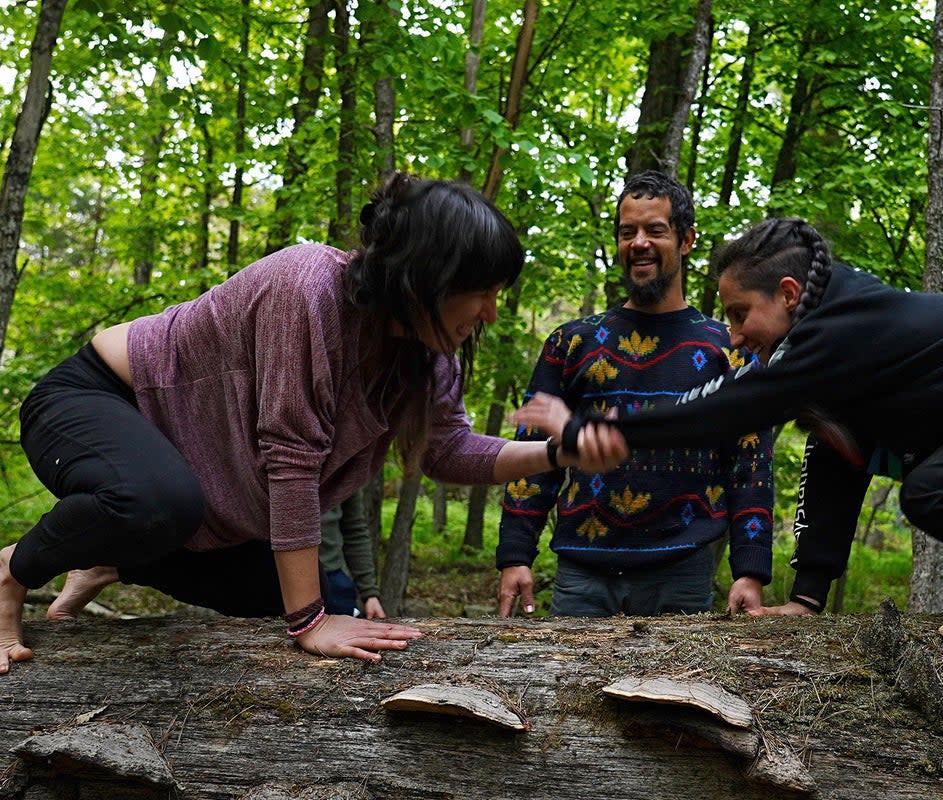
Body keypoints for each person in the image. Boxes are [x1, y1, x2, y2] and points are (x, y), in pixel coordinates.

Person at [0, 173, 622, 674]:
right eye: (482, 291)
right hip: (96, 401)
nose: (490, 312)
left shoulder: (427, 355)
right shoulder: (308, 289)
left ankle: (111, 555)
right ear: (427, 277)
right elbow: (290, 461)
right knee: (167, 505)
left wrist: (555, 452)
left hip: (181, 476)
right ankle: (11, 570)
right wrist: (309, 626)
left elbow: (449, 450)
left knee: (274, 593)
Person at [515, 217, 943, 635]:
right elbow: (836, 464)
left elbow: (724, 408)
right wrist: (808, 596)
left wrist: (592, 429)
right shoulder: (835, 361)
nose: (735, 335)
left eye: (741, 314)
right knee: (937, 483)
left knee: (938, 491)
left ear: (786, 296)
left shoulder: (838, 332)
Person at [495, 171, 775, 618]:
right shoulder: (570, 343)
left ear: (686, 240)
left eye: (655, 231)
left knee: (680, 690)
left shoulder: (730, 350)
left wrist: (751, 569)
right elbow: (533, 455)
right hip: (581, 575)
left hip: (684, 572)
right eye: (628, 233)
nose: (639, 243)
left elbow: (750, 467)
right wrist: (514, 555)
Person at [320, 488, 384, 619]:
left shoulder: (343, 470)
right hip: (273, 579)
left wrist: (369, 592)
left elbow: (354, 530)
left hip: (331, 579)